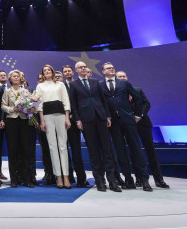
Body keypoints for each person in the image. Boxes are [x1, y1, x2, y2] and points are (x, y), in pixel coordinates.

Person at [68, 62, 121, 192]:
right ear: (76, 70)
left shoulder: (95, 82)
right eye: (81, 67)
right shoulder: (73, 85)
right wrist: (77, 120)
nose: (84, 68)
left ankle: (112, 181)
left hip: (101, 118)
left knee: (107, 150)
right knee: (94, 152)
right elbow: (73, 104)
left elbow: (103, 101)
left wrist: (108, 116)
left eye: (85, 66)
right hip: (86, 120)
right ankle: (99, 181)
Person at [100, 62, 152, 192]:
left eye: (112, 68)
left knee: (136, 149)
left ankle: (144, 180)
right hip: (114, 123)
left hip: (128, 120)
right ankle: (128, 179)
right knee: (120, 151)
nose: (111, 69)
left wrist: (138, 114)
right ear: (103, 71)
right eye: (108, 68)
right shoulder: (100, 85)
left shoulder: (124, 83)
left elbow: (138, 99)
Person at [116, 71, 169, 188]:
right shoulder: (117, 94)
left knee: (151, 151)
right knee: (134, 151)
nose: (122, 78)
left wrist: (139, 115)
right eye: (119, 77)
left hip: (143, 123)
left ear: (127, 77)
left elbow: (146, 103)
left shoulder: (137, 89)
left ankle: (159, 179)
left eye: (123, 76)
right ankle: (139, 179)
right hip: (129, 125)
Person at [36, 65, 72, 189]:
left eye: (49, 70)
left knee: (63, 146)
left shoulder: (60, 85)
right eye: (44, 71)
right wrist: (42, 120)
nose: (47, 72)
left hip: (61, 115)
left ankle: (66, 176)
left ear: (52, 72)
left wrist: (67, 117)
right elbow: (39, 105)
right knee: (52, 147)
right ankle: (59, 177)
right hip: (47, 116)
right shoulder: (40, 86)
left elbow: (66, 100)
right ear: (43, 73)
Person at [0, 70, 35, 188]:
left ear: (21, 79)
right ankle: (14, 179)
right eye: (13, 76)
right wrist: (13, 109)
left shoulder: (26, 91)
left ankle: (26, 178)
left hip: (24, 121)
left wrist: (30, 109)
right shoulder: (7, 91)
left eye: (17, 76)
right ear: (10, 79)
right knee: (12, 150)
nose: (15, 78)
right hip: (11, 121)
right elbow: (3, 106)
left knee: (25, 150)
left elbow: (32, 106)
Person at [61, 65, 87, 187]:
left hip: (76, 121)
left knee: (77, 151)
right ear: (63, 74)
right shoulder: (60, 86)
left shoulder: (78, 84)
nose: (67, 73)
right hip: (63, 122)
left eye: (69, 71)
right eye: (65, 71)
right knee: (64, 150)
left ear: (73, 72)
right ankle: (69, 177)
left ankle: (81, 178)